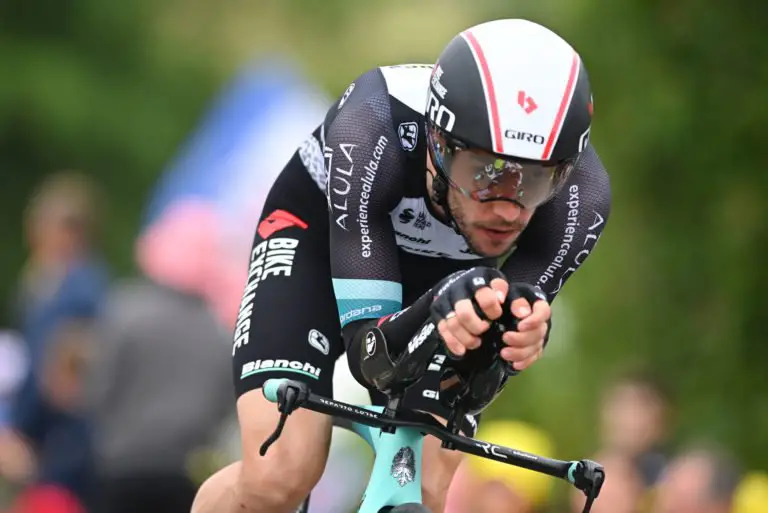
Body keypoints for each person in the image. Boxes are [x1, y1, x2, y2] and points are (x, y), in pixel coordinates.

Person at [192, 17, 611, 513]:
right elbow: (369, 360)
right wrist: (439, 305)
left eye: (537, 181)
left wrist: (514, 340)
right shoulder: (373, 124)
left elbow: (477, 380)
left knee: (422, 483)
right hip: (319, 246)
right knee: (281, 473)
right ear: (438, 143)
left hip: (452, 285)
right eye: (486, 173)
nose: (507, 209)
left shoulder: (582, 198)